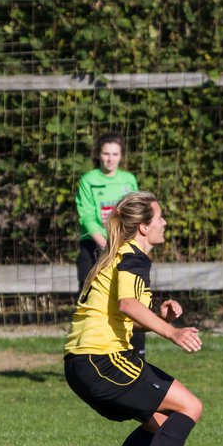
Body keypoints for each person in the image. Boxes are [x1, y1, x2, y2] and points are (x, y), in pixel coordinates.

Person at [64, 191, 202, 446]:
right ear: (143, 227)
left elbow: (124, 314)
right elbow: (128, 305)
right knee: (191, 406)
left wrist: (161, 316)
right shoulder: (133, 258)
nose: (165, 222)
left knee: (161, 422)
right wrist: (172, 332)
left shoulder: (121, 256)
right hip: (100, 360)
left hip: (85, 363)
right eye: (159, 217)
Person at [75, 131, 145, 356]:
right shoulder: (89, 180)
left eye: (115, 154)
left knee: (131, 297)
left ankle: (136, 352)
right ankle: (87, 352)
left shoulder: (128, 180)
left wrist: (127, 243)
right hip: (95, 247)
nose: (110, 158)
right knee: (91, 298)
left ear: (121, 156)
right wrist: (105, 243)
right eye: (106, 153)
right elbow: (86, 215)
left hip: (122, 247)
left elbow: (135, 213)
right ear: (99, 154)